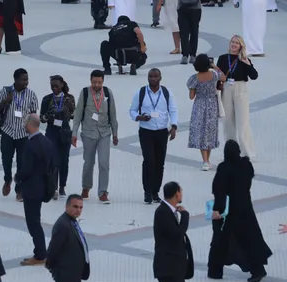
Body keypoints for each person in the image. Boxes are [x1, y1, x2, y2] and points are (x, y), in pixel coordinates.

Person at [208, 140, 272, 282]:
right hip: (245, 207)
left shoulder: (224, 168)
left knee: (220, 239)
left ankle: (215, 271)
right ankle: (257, 269)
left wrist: (217, 209)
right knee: (249, 239)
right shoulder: (246, 165)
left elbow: (219, 190)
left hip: (229, 210)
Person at [130, 69, 179, 204]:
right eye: (150, 76)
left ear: (160, 77)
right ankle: (147, 192)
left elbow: (173, 110)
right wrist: (138, 117)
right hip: (146, 132)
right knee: (149, 161)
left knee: (160, 162)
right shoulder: (141, 92)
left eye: (155, 76)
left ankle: (155, 192)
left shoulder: (166, 93)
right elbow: (132, 110)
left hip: (162, 132)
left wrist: (174, 126)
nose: (152, 79)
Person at [71, 69, 119, 203]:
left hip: (104, 133)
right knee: (89, 162)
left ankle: (103, 191)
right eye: (94, 82)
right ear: (90, 80)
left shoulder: (108, 93)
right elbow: (78, 115)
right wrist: (74, 133)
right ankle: (86, 186)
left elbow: (113, 114)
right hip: (88, 133)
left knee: (104, 163)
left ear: (103, 81)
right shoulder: (85, 93)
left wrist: (115, 133)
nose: (97, 85)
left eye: (99, 82)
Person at [0, 69, 38, 198]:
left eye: (27, 79)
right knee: (6, 159)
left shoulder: (31, 94)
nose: (26, 82)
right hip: (8, 131)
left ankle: (19, 188)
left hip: (23, 133)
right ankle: (7, 179)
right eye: (23, 79)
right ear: (15, 80)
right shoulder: (6, 91)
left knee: (22, 162)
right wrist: (6, 101)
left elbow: (34, 114)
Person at [18, 114, 54, 265]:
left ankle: (40, 254)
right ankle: (40, 252)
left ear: (30, 125)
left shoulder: (30, 145)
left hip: (31, 189)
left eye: (25, 123)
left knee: (33, 222)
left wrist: (17, 178)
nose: (24, 126)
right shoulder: (46, 142)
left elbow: (26, 169)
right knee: (35, 220)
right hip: (42, 186)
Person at [216, 35, 257, 157]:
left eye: (237, 43)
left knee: (242, 121)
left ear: (241, 46)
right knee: (228, 121)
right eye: (232, 42)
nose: (234, 45)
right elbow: (218, 75)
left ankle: (246, 151)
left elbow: (254, 76)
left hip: (240, 88)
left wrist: (248, 64)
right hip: (227, 87)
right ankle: (231, 151)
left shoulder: (243, 59)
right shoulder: (223, 58)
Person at [41, 76, 77, 198]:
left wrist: (69, 109)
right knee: (53, 160)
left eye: (56, 85)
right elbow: (42, 119)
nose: (54, 88)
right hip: (52, 131)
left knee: (64, 160)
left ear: (62, 85)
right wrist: (48, 115)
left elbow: (73, 115)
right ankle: (54, 187)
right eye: (52, 86)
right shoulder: (47, 99)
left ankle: (62, 186)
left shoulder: (69, 98)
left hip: (65, 130)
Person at [187, 54, 223, 171]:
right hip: (212, 104)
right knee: (210, 131)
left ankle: (205, 160)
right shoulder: (214, 74)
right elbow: (223, 77)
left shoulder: (194, 78)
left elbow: (191, 97)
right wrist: (215, 66)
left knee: (201, 131)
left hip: (200, 105)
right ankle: (208, 160)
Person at [174, 0, 204, 64]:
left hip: (182, 7)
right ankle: (193, 55)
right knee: (194, 32)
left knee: (184, 33)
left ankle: (184, 56)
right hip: (196, 8)